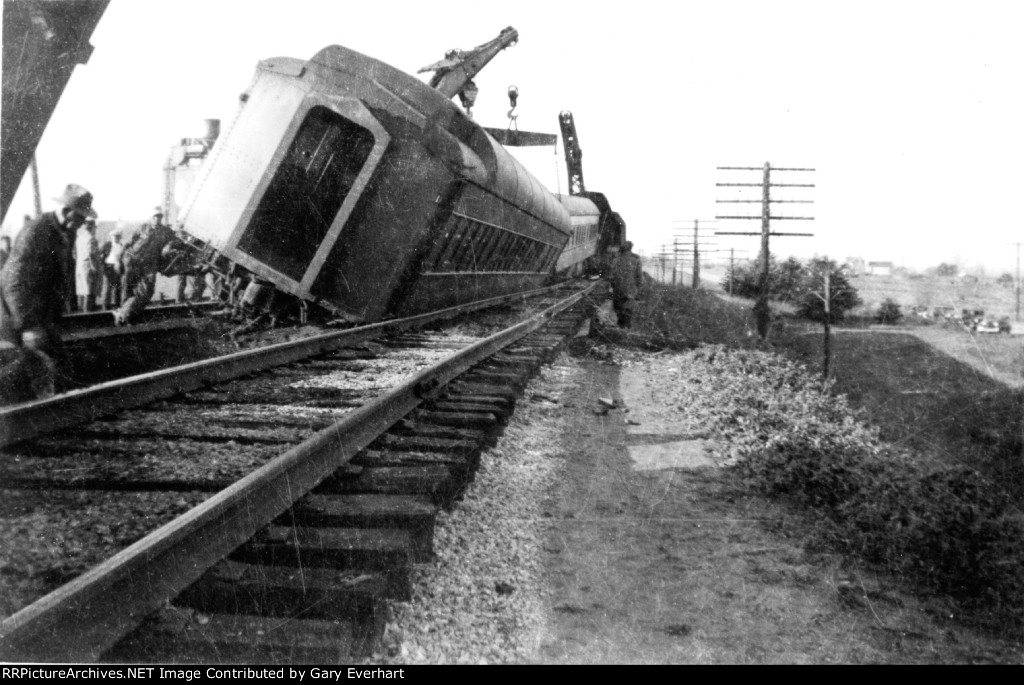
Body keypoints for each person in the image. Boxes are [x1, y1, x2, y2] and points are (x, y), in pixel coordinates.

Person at [0, 184, 96, 398]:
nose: (82, 222)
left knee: (59, 365)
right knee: (39, 367)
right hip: (18, 316)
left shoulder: (65, 232)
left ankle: (54, 411)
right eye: (80, 216)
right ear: (67, 211)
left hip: (42, 317)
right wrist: (27, 326)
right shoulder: (36, 231)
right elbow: (14, 281)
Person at [116, 207, 183, 325]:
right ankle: (128, 317)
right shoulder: (142, 227)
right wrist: (118, 260)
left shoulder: (165, 231)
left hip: (149, 265)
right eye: (155, 216)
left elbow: (177, 240)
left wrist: (169, 245)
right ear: (151, 218)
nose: (157, 219)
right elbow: (127, 243)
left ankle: (124, 313)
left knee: (147, 291)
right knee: (128, 290)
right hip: (132, 261)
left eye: (159, 217)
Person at [607, 240, 644, 329]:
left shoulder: (616, 259)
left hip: (618, 289)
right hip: (631, 289)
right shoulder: (636, 258)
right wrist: (638, 289)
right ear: (631, 248)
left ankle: (621, 326)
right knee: (628, 310)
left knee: (618, 308)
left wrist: (612, 285)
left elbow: (612, 275)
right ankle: (627, 327)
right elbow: (639, 276)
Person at [74, 217, 101, 312]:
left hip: (79, 266)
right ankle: (88, 315)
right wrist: (94, 267)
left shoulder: (79, 238)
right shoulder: (91, 238)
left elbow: (75, 253)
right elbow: (92, 254)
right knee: (89, 291)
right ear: (92, 227)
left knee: (81, 292)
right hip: (88, 266)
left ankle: (80, 316)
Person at [100, 227, 125, 309]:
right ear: (111, 237)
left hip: (118, 268)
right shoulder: (107, 245)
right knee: (107, 288)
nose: (116, 238)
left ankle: (117, 305)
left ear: (120, 237)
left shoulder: (122, 246)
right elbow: (100, 255)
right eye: (114, 236)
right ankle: (105, 306)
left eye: (117, 236)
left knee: (118, 288)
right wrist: (103, 266)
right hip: (108, 267)